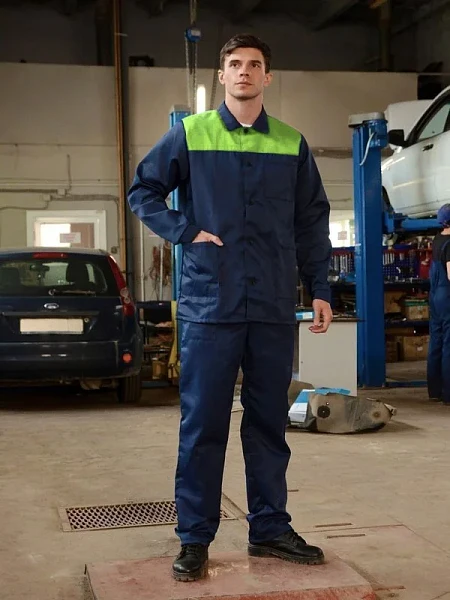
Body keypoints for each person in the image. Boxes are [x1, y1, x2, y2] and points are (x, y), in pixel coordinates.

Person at [128, 33, 333, 582]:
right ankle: (195, 537)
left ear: (267, 77)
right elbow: (143, 190)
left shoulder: (291, 143)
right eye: (235, 64)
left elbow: (311, 220)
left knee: (268, 424)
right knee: (203, 425)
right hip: (209, 305)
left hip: (270, 306)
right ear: (221, 76)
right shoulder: (190, 134)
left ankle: (269, 528)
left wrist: (320, 288)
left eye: (254, 64)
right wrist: (185, 230)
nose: (244, 72)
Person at [428, 203, 450, 405]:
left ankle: (434, 391)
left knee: (436, 341)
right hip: (447, 295)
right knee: (449, 344)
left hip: (435, 295)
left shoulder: (438, 239)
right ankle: (448, 394)